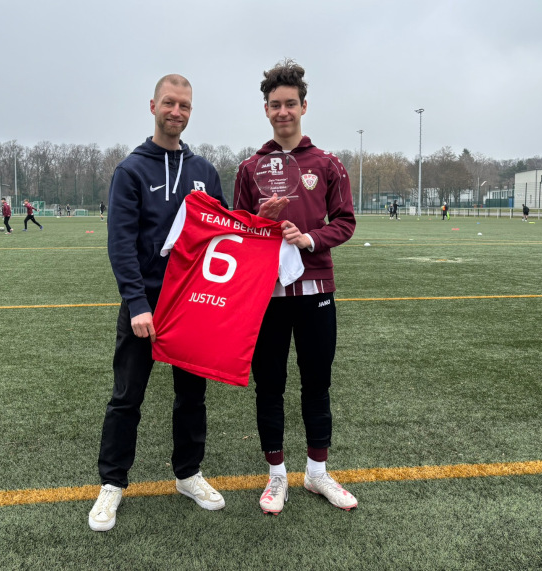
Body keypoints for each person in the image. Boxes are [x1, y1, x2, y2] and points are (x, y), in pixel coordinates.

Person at [89, 73, 228, 532]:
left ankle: (188, 474)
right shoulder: (131, 170)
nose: (177, 112)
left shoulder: (205, 172)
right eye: (170, 103)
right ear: (152, 106)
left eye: (185, 105)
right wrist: (136, 302)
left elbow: (225, 235)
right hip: (145, 306)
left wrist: (258, 224)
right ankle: (112, 484)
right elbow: (121, 243)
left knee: (192, 396)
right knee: (127, 397)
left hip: (194, 306)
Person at [233, 59, 358, 515]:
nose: (283, 111)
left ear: (304, 106)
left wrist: (309, 238)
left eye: (290, 104)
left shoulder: (327, 164)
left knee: (317, 383)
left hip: (316, 290)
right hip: (266, 297)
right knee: (269, 385)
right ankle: (277, 477)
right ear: (265, 110)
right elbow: (237, 232)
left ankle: (317, 474)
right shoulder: (250, 167)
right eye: (274, 105)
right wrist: (257, 223)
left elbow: (345, 222)